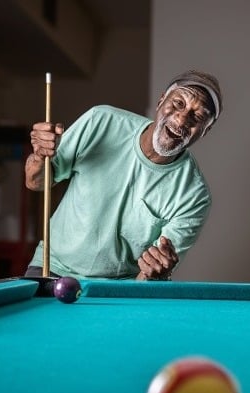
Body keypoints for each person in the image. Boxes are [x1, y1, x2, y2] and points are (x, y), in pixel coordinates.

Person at [24, 69, 222, 281]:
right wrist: (39, 156)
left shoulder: (195, 196)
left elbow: (144, 279)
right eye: (178, 104)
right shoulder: (101, 121)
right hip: (52, 267)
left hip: (118, 288)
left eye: (198, 116)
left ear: (205, 130)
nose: (182, 120)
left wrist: (156, 274)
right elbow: (35, 182)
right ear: (161, 101)